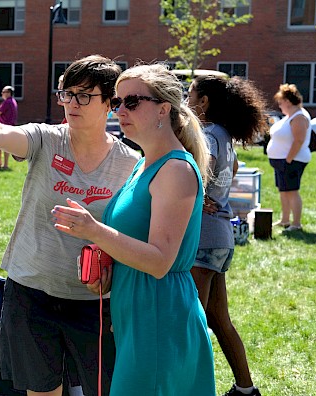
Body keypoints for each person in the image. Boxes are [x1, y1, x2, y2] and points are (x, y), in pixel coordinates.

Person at [0, 55, 141, 396]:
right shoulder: (46, 139)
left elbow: (132, 234)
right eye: (67, 93)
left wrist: (112, 269)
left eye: (84, 96)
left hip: (94, 303)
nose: (71, 103)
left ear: (109, 102)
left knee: (101, 390)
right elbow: (0, 132)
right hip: (31, 291)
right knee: (40, 391)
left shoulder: (130, 164)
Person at [52, 63, 216, 395]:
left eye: (132, 102)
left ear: (163, 109)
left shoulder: (175, 169)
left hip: (159, 313)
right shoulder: (144, 164)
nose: (120, 110)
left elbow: (159, 261)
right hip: (135, 310)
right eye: (117, 102)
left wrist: (94, 231)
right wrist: (107, 267)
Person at [186, 75, 267, 396]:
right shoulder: (224, 135)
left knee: (191, 322)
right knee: (218, 320)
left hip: (204, 238)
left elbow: (192, 173)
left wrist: (198, 191)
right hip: (221, 237)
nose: (186, 99)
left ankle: (191, 388)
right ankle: (246, 390)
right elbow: (230, 172)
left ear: (204, 101)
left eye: (190, 93)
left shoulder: (207, 134)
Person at [266, 83, 312, 232]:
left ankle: (296, 223)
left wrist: (288, 160)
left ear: (287, 101)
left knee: (292, 191)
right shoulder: (290, 116)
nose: (280, 106)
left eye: (280, 103)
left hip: (292, 160)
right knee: (283, 190)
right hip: (282, 161)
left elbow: (299, 140)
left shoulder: (299, 117)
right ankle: (285, 220)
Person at [0, 85, 18, 169]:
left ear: (9, 93)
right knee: (5, 146)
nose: (2, 94)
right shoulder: (13, 101)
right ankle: (2, 164)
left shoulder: (7, 102)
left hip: (4, 127)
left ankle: (2, 164)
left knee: (0, 145)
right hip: (10, 127)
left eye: (3, 92)